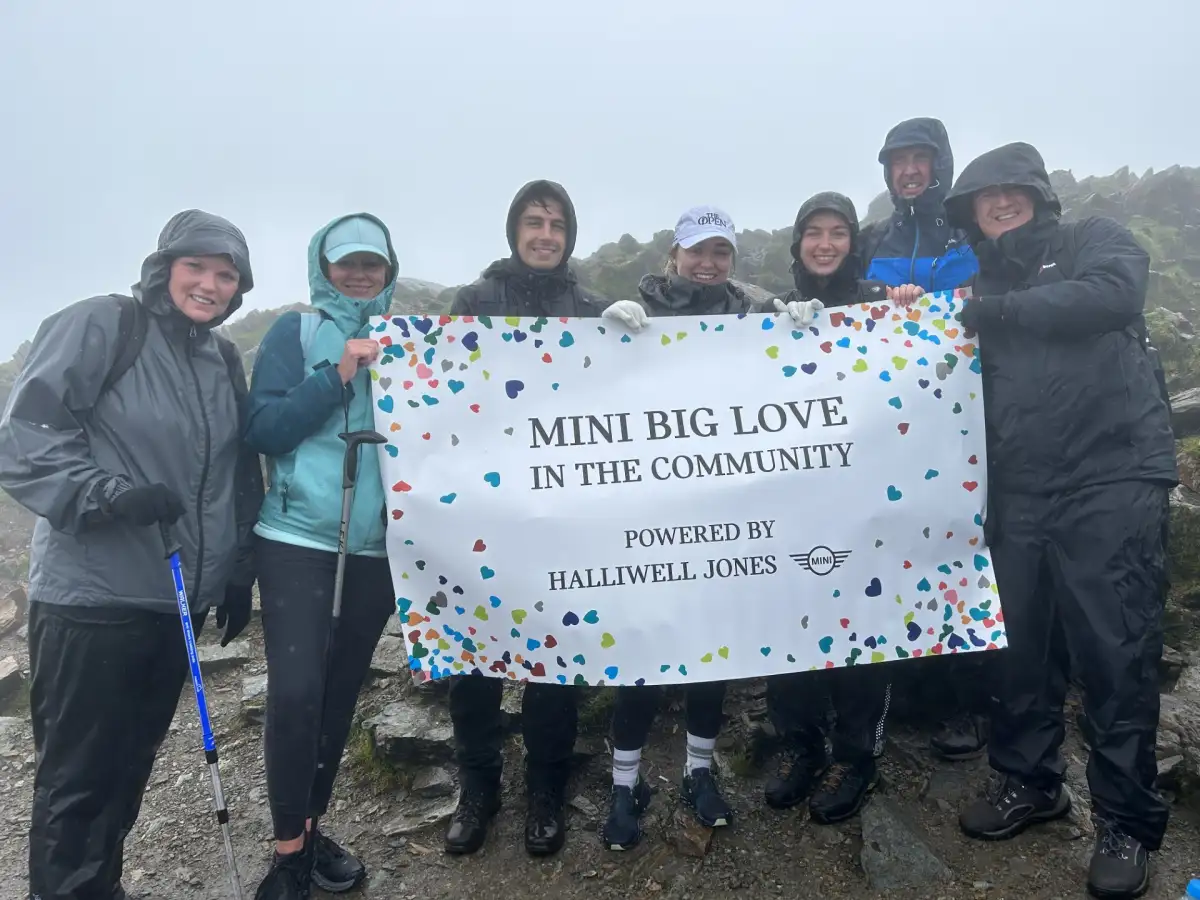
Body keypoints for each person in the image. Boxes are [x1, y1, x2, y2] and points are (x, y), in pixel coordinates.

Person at [0, 210, 262, 900]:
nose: (209, 284)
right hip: (92, 600)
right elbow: (24, 437)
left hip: (173, 601)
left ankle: (97, 887)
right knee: (80, 778)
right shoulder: (105, 326)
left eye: (226, 275)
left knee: (127, 768)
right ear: (165, 266)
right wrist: (107, 495)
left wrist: (237, 565)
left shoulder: (219, 357)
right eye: (196, 267)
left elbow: (233, 469)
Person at [946, 142, 1175, 900]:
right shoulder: (971, 289)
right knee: (1017, 650)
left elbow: (1116, 295)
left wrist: (998, 311)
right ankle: (1030, 782)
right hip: (1020, 491)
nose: (1001, 201)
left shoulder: (1094, 240)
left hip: (1112, 477)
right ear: (971, 214)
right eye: (986, 196)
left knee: (1116, 653)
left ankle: (1127, 822)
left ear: (1040, 196)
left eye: (1013, 190)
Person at [599, 205, 816, 849]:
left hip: (725, 515)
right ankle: (624, 783)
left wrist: (803, 334)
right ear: (675, 256)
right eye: (697, 251)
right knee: (638, 651)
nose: (709, 263)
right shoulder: (635, 314)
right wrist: (600, 336)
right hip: (649, 514)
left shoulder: (754, 315)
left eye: (721, 252)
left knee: (710, 648)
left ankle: (699, 771)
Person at [444, 180, 608, 858]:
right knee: (474, 659)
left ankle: (545, 788)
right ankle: (477, 787)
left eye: (557, 224)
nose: (546, 234)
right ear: (514, 229)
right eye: (534, 222)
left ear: (570, 234)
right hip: (484, 508)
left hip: (562, 513)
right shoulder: (473, 303)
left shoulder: (594, 307)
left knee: (554, 657)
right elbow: (440, 395)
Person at [242, 214, 400, 900]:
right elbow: (264, 428)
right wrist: (337, 375)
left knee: (337, 698)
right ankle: (286, 855)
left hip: (375, 550)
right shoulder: (296, 333)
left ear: (388, 269)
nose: (360, 274)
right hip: (299, 540)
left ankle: (311, 828)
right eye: (347, 262)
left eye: (372, 263)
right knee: (299, 692)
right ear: (323, 266)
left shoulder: (414, 342)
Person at [758, 192, 893, 824]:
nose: (825, 243)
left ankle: (856, 758)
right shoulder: (767, 315)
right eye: (813, 231)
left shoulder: (879, 302)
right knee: (791, 626)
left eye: (838, 232)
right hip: (790, 502)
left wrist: (910, 313)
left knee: (865, 628)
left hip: (864, 499)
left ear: (852, 242)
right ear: (798, 243)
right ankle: (800, 747)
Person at [861, 116, 990, 760]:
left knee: (963, 546)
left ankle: (967, 703)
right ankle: (916, 683)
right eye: (897, 161)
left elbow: (996, 294)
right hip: (894, 423)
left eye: (919, 158)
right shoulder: (875, 237)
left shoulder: (968, 228)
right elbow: (847, 309)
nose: (908, 170)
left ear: (939, 163)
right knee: (903, 541)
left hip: (968, 420)